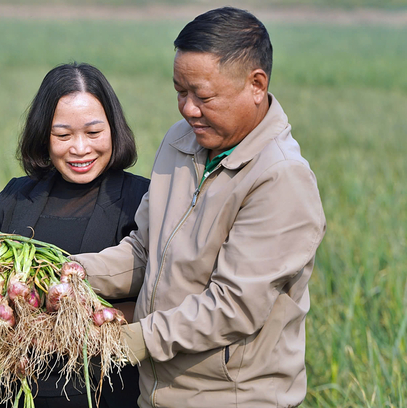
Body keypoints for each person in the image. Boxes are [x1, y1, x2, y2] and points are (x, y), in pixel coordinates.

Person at [73, 7, 326, 408]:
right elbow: (144, 249)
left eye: (203, 96)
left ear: (256, 85)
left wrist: (127, 341)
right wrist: (71, 273)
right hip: (156, 394)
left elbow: (233, 305)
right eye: (179, 92)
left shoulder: (280, 178)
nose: (188, 109)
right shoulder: (181, 142)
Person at [0, 62, 148, 408]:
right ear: (43, 135)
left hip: (113, 394)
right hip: (24, 393)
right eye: (63, 135)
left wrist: (82, 322)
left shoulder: (142, 200)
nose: (80, 149)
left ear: (114, 131)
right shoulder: (16, 199)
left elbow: (166, 297)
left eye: (93, 133)